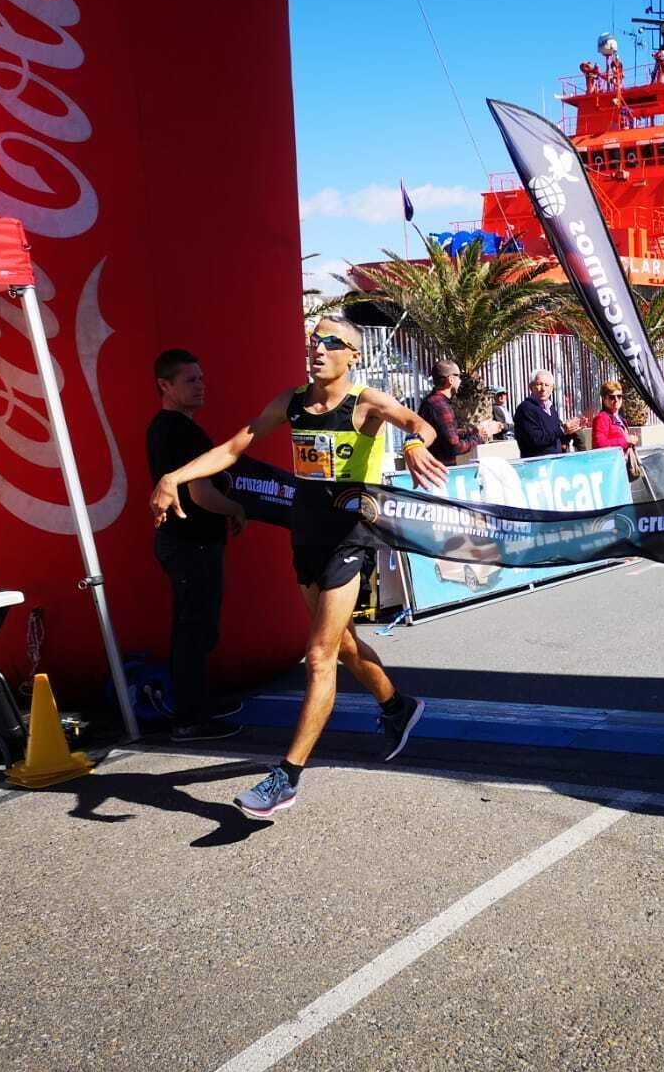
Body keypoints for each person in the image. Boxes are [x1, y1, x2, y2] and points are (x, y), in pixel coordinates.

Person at [149, 318, 449, 820]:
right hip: (306, 537)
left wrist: (415, 444)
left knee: (318, 655)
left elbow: (418, 423)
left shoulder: (366, 402)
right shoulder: (291, 403)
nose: (318, 347)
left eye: (332, 342)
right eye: (314, 338)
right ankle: (398, 707)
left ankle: (285, 777)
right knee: (344, 643)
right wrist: (173, 477)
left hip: (350, 538)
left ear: (353, 355)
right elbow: (232, 447)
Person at [145, 350, 246, 743]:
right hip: (190, 543)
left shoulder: (168, 427)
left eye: (201, 378)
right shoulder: (177, 430)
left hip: (187, 542)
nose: (200, 386)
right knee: (194, 630)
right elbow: (200, 493)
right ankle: (190, 717)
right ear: (165, 386)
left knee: (197, 629)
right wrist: (236, 507)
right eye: (190, 380)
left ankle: (197, 702)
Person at [420, 359, 502, 463]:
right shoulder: (440, 406)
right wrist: (480, 436)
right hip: (441, 471)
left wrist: (474, 431)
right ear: (451, 379)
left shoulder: (430, 401)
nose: (460, 381)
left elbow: (446, 434)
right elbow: (455, 447)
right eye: (458, 376)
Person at [513, 368, 585, 458]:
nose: (543, 389)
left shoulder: (550, 408)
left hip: (554, 463)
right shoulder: (525, 409)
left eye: (547, 385)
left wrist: (571, 430)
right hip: (536, 464)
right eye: (539, 384)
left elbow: (556, 437)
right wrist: (563, 429)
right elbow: (537, 439)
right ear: (531, 387)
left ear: (552, 389)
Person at [590, 380, 639, 453]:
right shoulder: (602, 418)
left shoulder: (620, 418)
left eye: (619, 396)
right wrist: (626, 441)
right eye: (612, 397)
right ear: (604, 399)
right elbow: (599, 445)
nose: (616, 400)